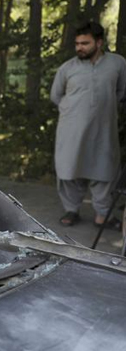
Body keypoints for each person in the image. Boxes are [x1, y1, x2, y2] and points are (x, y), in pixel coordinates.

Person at [51, 22, 126, 228]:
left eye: (85, 43)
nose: (79, 48)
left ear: (99, 42)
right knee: (69, 170)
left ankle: (102, 215)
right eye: (77, 43)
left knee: (104, 169)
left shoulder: (117, 64)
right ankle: (71, 209)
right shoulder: (67, 68)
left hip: (103, 129)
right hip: (70, 130)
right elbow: (56, 96)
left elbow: (120, 92)